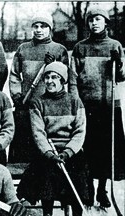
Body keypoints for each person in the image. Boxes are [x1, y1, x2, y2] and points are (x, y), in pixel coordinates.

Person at [17, 62, 89, 216]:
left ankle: (77, 213)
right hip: (48, 152)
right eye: (47, 77)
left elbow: (79, 131)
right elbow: (38, 133)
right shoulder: (38, 103)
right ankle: (47, 213)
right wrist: (49, 153)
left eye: (55, 77)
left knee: (78, 175)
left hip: (71, 152)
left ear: (63, 81)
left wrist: (68, 152)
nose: (50, 81)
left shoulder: (75, 102)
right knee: (46, 174)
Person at [70, 7, 125, 208]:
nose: (94, 23)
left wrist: (118, 63)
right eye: (91, 20)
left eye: (98, 19)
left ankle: (103, 190)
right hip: (86, 107)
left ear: (105, 22)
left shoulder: (115, 45)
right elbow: (73, 79)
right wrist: (77, 103)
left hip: (109, 106)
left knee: (107, 149)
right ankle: (89, 189)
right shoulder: (80, 48)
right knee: (87, 149)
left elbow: (121, 76)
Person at [8, 12, 71, 163]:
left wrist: (53, 65)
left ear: (50, 28)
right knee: (23, 152)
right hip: (26, 105)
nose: (39, 29)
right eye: (36, 26)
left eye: (43, 26)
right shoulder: (23, 49)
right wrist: (17, 96)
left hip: (49, 108)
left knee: (46, 151)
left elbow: (65, 77)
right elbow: (14, 75)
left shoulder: (59, 49)